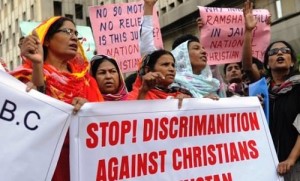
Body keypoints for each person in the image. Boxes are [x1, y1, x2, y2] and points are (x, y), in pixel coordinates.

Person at [10, 16, 104, 181]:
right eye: (67, 31)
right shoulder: (26, 75)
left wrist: (88, 110)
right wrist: (37, 65)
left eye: (76, 33)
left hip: (83, 162)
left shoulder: (87, 81)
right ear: (46, 40)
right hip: (45, 165)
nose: (74, 37)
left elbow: (104, 123)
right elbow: (33, 111)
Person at [243, 1, 300, 179]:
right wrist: (248, 31)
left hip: (295, 165)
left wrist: (291, 159)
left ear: (291, 62)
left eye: (284, 51)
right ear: (267, 63)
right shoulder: (262, 87)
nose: (280, 53)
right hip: (267, 162)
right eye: (274, 52)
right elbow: (246, 65)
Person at [140, 0, 222, 99]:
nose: (204, 52)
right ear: (183, 56)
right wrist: (148, 8)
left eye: (203, 48)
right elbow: (147, 47)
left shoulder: (213, 83)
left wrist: (205, 33)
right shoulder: (172, 86)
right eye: (196, 48)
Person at [127, 49, 191, 104]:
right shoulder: (134, 96)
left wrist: (189, 103)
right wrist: (143, 93)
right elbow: (135, 116)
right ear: (148, 70)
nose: (172, 69)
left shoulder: (180, 94)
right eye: (165, 65)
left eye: (173, 65)